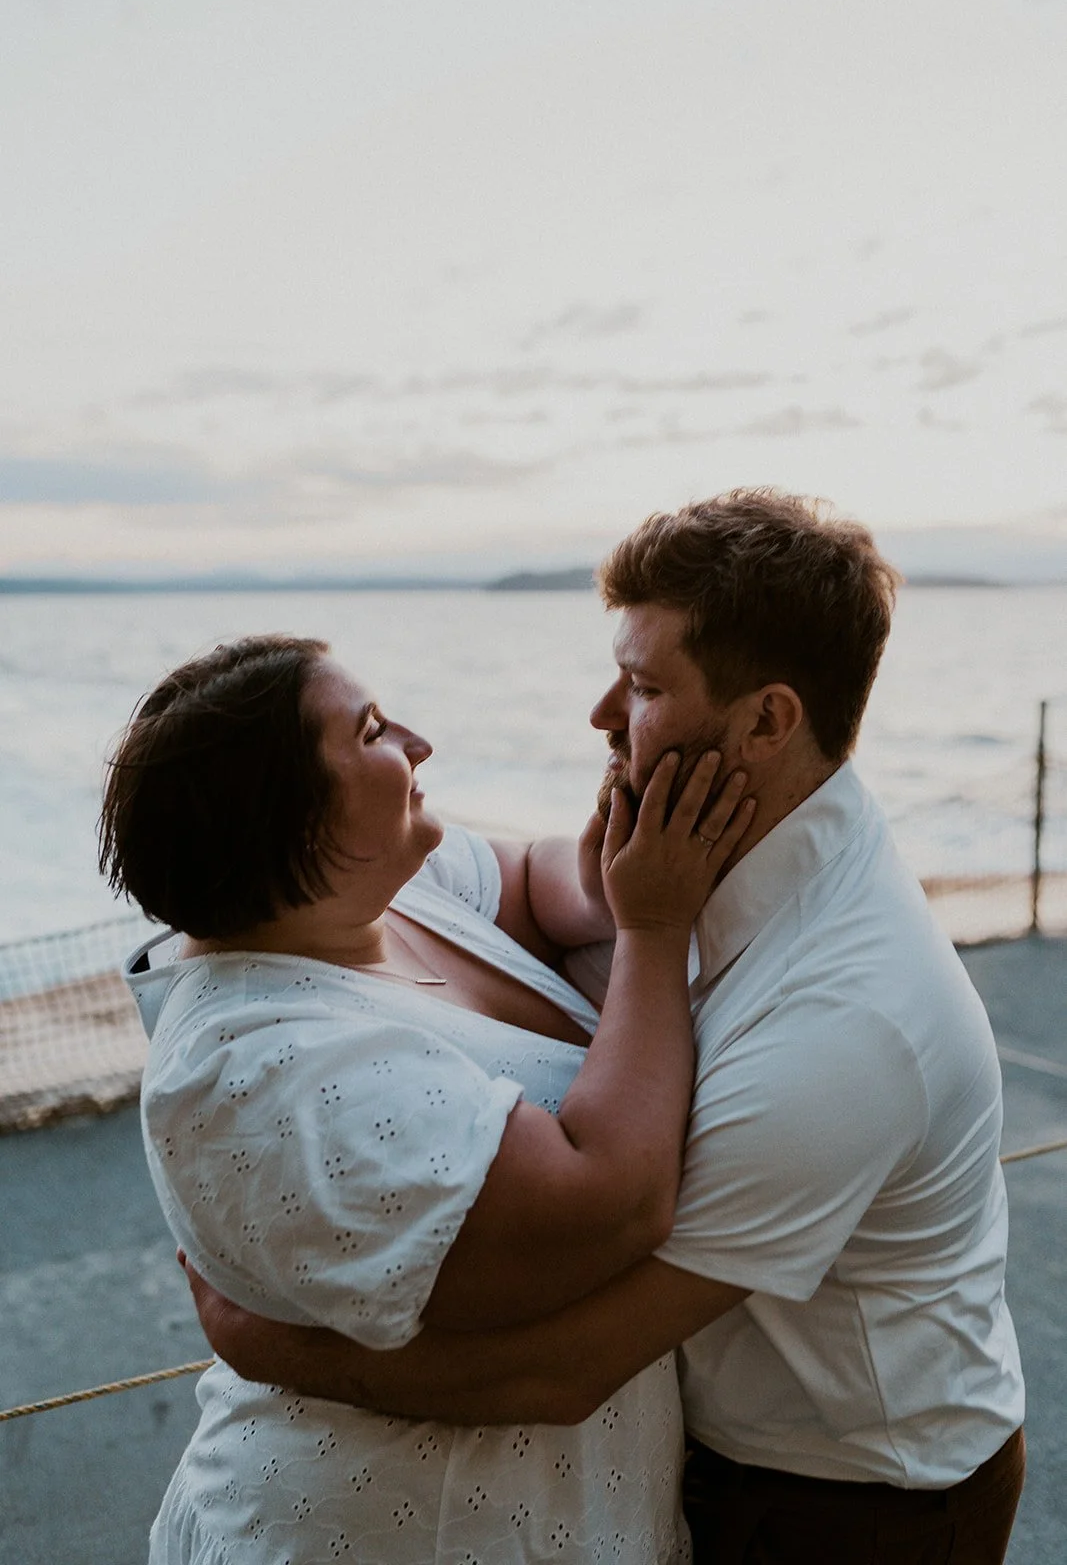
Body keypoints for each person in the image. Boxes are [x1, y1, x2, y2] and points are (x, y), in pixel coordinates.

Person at [184, 490, 1026, 1565]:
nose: (597, 712)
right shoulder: (704, 857)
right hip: (735, 1461)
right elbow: (572, 907)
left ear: (767, 720)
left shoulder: (842, 1022)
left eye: (640, 685)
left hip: (857, 1500)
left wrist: (273, 1348)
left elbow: (559, 1370)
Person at [100, 631, 755, 1564]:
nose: (417, 742)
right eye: (371, 732)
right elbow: (610, 1195)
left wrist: (621, 846)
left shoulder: (382, 894)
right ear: (293, 820)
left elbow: (533, 886)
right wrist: (653, 923)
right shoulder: (260, 1066)